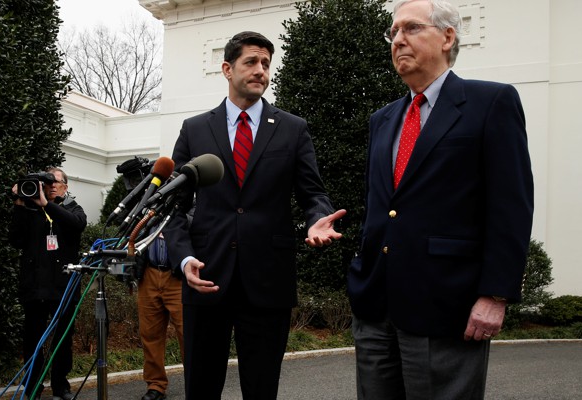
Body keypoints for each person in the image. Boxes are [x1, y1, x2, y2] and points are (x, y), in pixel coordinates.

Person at [346, 1, 534, 399]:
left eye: (411, 28)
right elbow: (386, 206)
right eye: (393, 31)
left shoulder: (491, 103)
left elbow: (511, 206)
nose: (398, 39)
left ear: (448, 36)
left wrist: (495, 295)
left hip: (449, 306)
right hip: (376, 307)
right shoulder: (382, 119)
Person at [165, 31, 347, 399]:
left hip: (268, 281)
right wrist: (183, 258)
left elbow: (313, 193)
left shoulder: (293, 129)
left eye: (266, 63)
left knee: (262, 388)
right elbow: (174, 207)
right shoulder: (195, 129)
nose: (261, 70)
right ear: (227, 69)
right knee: (200, 388)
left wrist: (317, 218)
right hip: (206, 276)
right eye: (251, 62)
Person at [9, 168, 87, 400]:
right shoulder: (29, 209)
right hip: (35, 287)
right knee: (32, 340)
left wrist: (46, 204)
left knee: (63, 339)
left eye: (57, 182)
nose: (52, 186)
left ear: (66, 186)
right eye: (47, 182)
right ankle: (33, 386)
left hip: (63, 286)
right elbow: (16, 240)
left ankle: (60, 386)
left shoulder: (72, 207)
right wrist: (19, 203)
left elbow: (77, 225)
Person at [136, 224, 185, 400]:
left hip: (178, 278)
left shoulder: (187, 205)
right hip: (149, 273)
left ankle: (196, 383)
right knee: (150, 334)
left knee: (187, 333)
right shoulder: (146, 205)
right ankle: (155, 385)